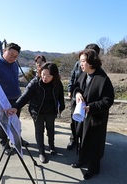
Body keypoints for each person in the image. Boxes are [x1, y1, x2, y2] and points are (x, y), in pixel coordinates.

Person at [6, 62, 65, 163]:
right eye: (43, 74)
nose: (45, 78)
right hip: (37, 111)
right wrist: (15, 107)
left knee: (51, 129)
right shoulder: (35, 82)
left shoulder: (57, 83)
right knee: (39, 131)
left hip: (51, 111)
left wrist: (61, 107)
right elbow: (25, 96)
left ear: (54, 75)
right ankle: (41, 152)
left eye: (48, 76)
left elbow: (60, 96)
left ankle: (52, 146)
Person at [71, 49, 114, 180]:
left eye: (83, 61)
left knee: (94, 143)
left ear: (91, 62)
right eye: (80, 61)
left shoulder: (103, 78)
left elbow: (108, 100)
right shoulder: (83, 74)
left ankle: (93, 169)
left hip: (96, 117)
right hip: (83, 116)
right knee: (83, 139)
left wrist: (91, 107)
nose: (81, 64)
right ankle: (82, 160)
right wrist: (77, 93)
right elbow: (76, 87)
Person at [66, 43, 101, 150]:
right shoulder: (78, 64)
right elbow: (72, 77)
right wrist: (70, 89)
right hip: (76, 95)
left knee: (84, 122)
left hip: (87, 99)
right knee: (74, 119)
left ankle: (83, 143)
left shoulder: (96, 68)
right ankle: (74, 139)